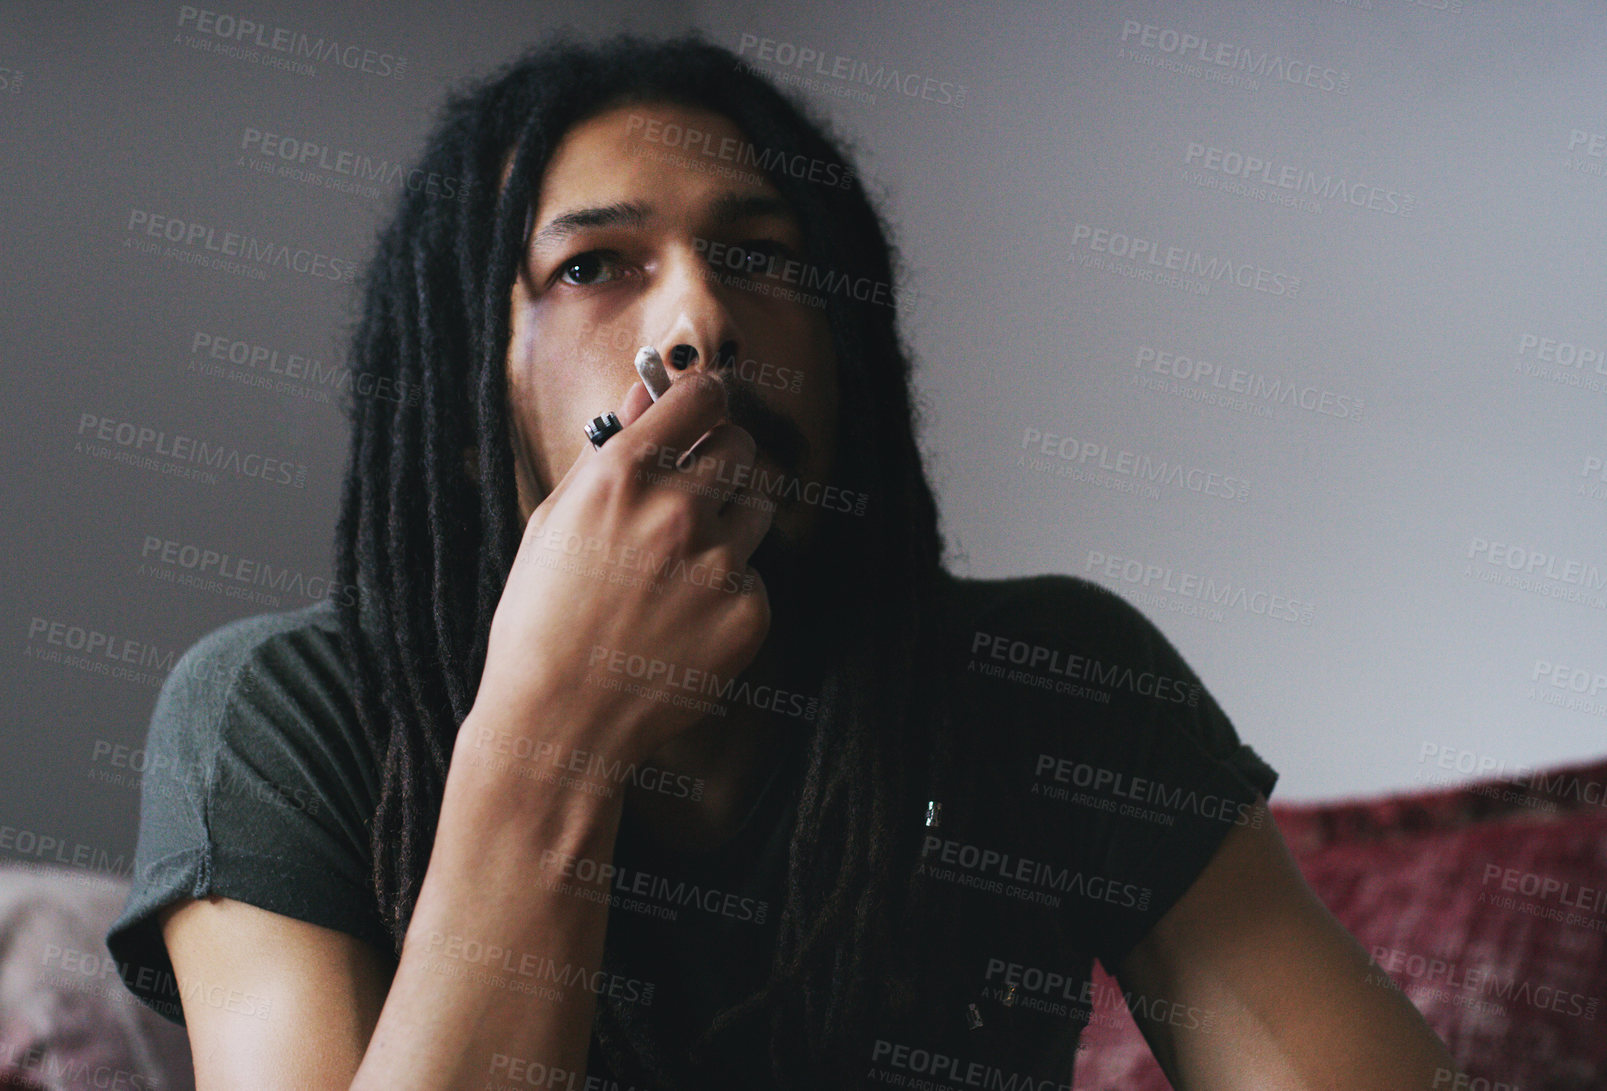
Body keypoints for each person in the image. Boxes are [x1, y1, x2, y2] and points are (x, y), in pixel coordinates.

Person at [105, 33, 1460, 1090]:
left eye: (759, 254)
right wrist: (548, 730)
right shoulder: (280, 720)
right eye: (595, 268)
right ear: (469, 387)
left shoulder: (1061, 683)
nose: (698, 317)